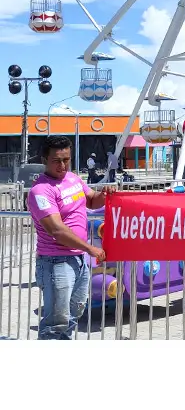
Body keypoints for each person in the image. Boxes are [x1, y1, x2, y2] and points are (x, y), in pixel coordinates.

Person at [27, 135, 113, 340]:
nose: (62, 165)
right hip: (56, 263)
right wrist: (90, 248)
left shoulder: (73, 178)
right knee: (56, 323)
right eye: (56, 160)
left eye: (66, 159)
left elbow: (91, 200)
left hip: (79, 260)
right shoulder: (40, 191)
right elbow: (56, 230)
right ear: (44, 160)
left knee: (73, 315)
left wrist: (105, 193)